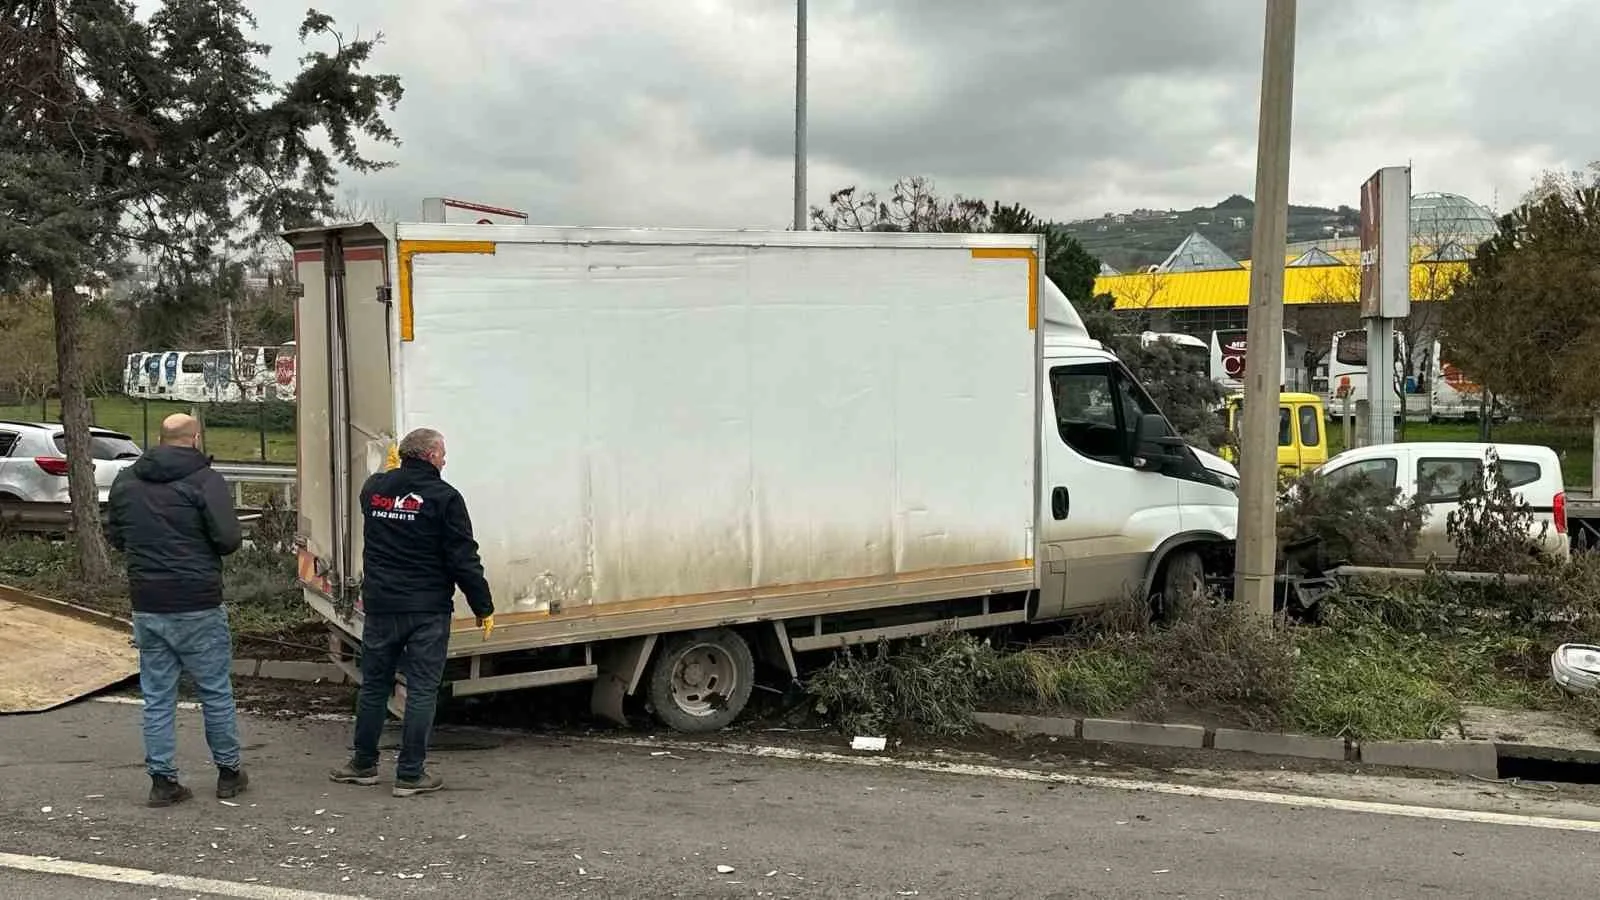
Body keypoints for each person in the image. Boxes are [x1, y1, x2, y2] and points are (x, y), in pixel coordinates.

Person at [330, 427, 494, 798]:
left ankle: (363, 764)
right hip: (427, 610)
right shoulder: (445, 498)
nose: (445, 460)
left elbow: (375, 495)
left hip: (382, 607)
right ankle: (409, 774)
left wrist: (390, 474)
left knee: (374, 685)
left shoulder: (374, 489)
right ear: (431, 456)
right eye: (443, 453)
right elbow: (463, 559)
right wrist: (483, 606)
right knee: (421, 689)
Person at [106, 413, 246, 808]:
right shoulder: (205, 480)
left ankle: (163, 779)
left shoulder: (126, 481)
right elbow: (228, 540)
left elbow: (116, 535)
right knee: (215, 691)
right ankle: (229, 773)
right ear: (196, 438)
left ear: (161, 438)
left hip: (148, 602)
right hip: (198, 600)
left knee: (157, 696)